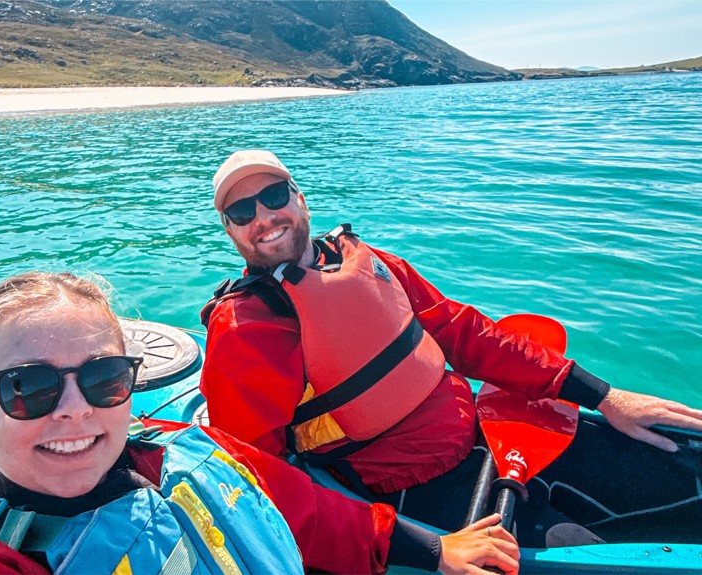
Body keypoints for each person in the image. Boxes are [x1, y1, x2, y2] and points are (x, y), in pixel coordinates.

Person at [199, 149, 702, 546]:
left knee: (681, 470)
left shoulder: (367, 262)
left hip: (493, 438)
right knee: (589, 547)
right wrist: (422, 549)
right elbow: (255, 478)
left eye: (274, 194)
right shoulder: (246, 328)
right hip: (417, 495)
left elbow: (465, 334)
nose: (263, 216)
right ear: (230, 230)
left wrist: (603, 395)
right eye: (242, 210)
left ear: (300, 197)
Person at [0, 271, 520, 575]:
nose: (75, 409)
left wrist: (435, 548)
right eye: (28, 386)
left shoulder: (184, 452)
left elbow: (304, 509)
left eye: (104, 378)